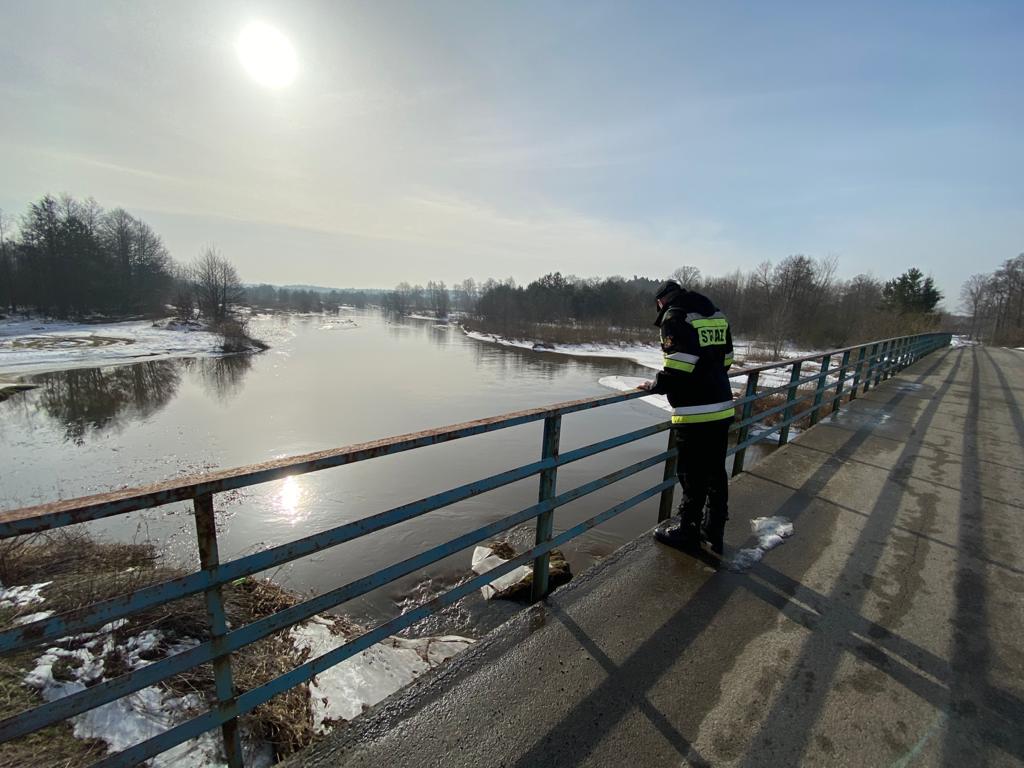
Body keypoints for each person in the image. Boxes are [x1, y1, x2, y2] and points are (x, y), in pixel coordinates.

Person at [639, 280, 735, 554]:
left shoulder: (675, 317)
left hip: (695, 411)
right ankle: (714, 529)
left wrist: (655, 384)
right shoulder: (715, 314)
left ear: (661, 301)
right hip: (721, 404)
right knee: (715, 471)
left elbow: (679, 368)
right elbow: (727, 359)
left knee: (691, 474)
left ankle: (688, 531)